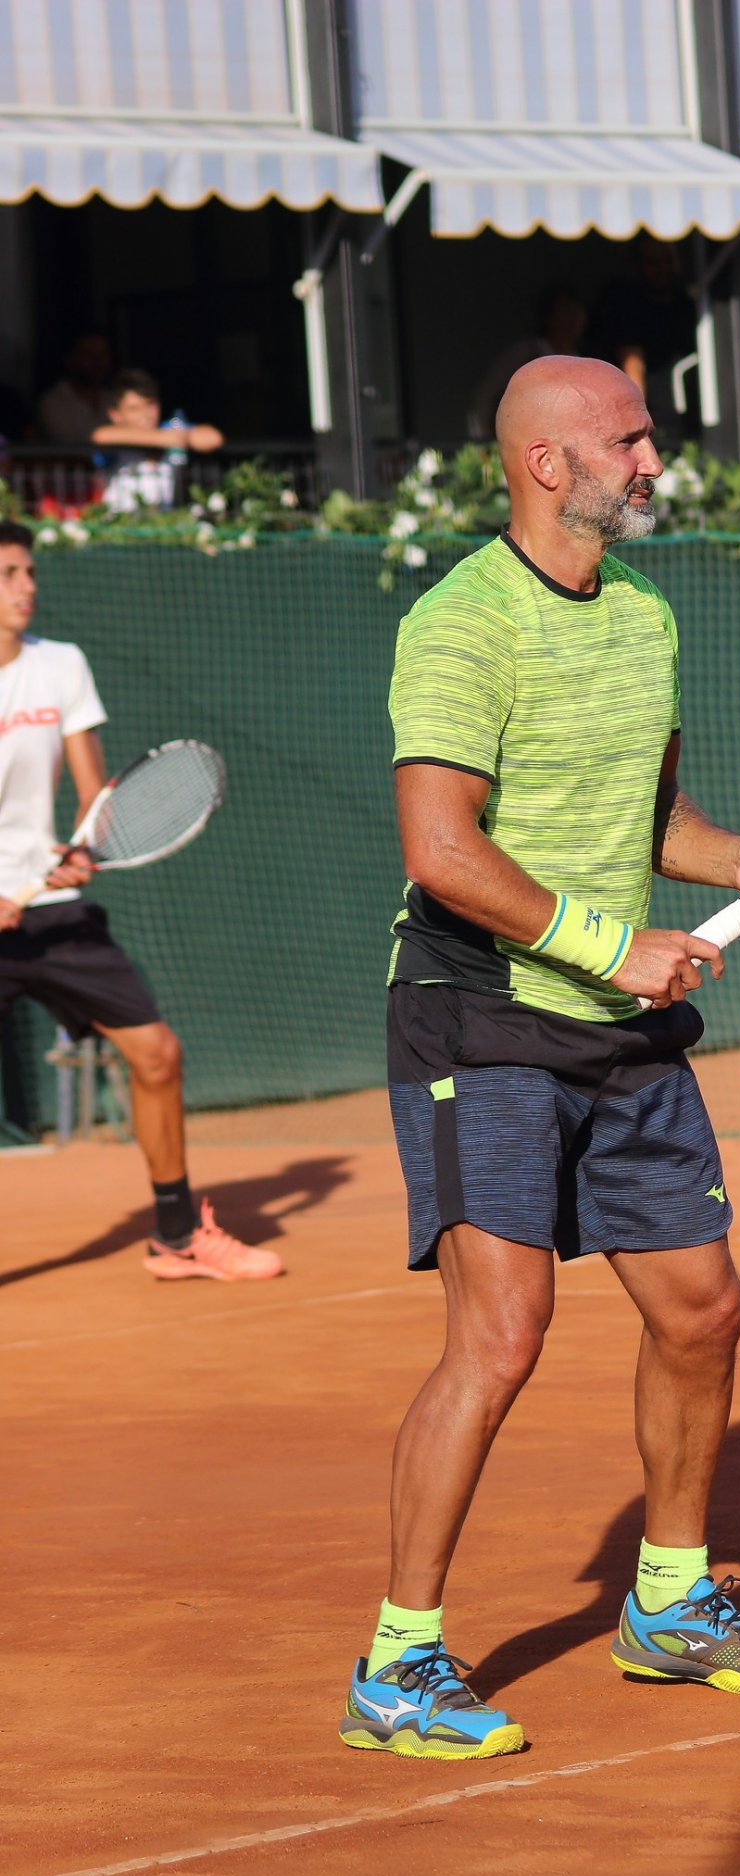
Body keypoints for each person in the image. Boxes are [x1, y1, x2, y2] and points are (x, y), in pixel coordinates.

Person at [340, 356, 740, 1762]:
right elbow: (442, 855)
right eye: (631, 439)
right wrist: (615, 947)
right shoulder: (461, 624)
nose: (654, 459)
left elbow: (649, 818)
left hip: (617, 1030)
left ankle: (670, 1605)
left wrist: (732, 853)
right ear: (550, 465)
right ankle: (400, 1662)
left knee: (704, 1311)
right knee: (501, 1339)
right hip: (480, 1015)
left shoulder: (644, 616)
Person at [0, 517, 283, 1282]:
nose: (27, 587)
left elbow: (97, 794)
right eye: (9, 575)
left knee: (156, 1054)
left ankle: (176, 1233)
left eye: (28, 571)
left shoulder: (59, 665)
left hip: (52, 914)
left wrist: (82, 851)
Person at [587, 237, 697, 437]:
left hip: (692, 421)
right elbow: (633, 365)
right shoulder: (629, 307)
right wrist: (639, 429)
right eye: (653, 263)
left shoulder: (688, 306)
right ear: (638, 266)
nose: (662, 268)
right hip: (656, 424)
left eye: (668, 260)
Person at [466, 284, 588, 441]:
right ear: (549, 315)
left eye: (578, 311)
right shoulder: (526, 352)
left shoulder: (583, 361)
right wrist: (483, 443)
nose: (574, 318)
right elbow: (485, 396)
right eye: (566, 311)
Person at [91, 370, 223, 511]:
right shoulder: (115, 435)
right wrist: (164, 438)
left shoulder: (169, 428)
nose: (145, 415)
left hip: (162, 523)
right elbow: (100, 436)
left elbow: (213, 438)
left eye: (150, 405)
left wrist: (178, 437)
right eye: (134, 408)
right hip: (120, 523)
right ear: (115, 415)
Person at [36, 331, 114, 444]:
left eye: (103, 354)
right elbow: (70, 445)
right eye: (89, 355)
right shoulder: (53, 402)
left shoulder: (113, 398)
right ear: (69, 359)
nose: (98, 362)